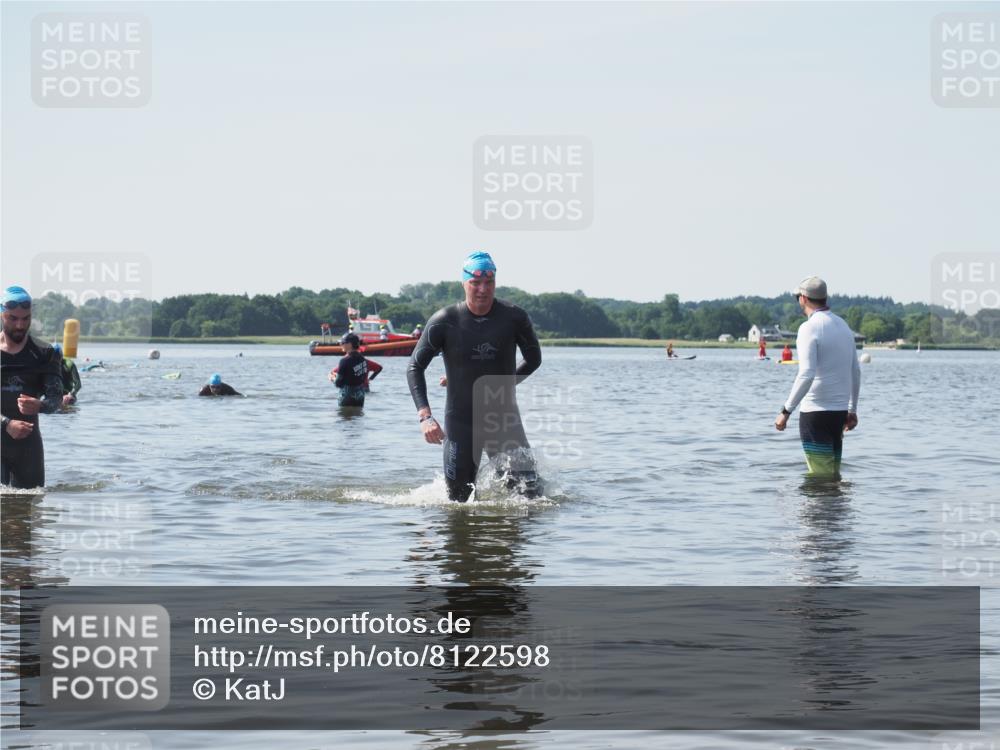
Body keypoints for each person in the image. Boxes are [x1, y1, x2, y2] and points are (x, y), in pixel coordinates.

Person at [407, 251, 542, 502]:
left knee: (531, 497)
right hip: (461, 423)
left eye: (489, 282)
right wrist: (425, 416)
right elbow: (415, 367)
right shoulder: (444, 321)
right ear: (464, 283)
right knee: (460, 502)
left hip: (503, 420)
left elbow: (534, 360)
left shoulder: (514, 318)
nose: (482, 289)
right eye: (475, 282)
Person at [774, 276, 861, 478]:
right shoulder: (843, 326)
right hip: (839, 413)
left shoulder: (808, 328)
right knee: (833, 477)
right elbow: (855, 371)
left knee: (820, 478)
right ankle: (838, 510)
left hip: (815, 414)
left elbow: (806, 374)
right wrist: (852, 410)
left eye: (798, 297)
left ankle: (823, 510)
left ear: (803, 298)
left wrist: (786, 411)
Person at [1, 286, 64, 489]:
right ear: (2, 315)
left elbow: (56, 399)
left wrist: (41, 406)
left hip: (28, 448)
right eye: (13, 318)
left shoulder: (46, 353)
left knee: (27, 510)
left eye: (25, 318)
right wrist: (6, 424)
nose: (20, 325)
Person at [333, 333, 370, 406]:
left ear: (349, 344)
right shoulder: (363, 359)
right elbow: (363, 378)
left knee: (343, 416)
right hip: (360, 396)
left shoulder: (344, 360)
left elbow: (337, 383)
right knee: (358, 416)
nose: (341, 344)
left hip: (347, 396)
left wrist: (332, 377)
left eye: (342, 342)